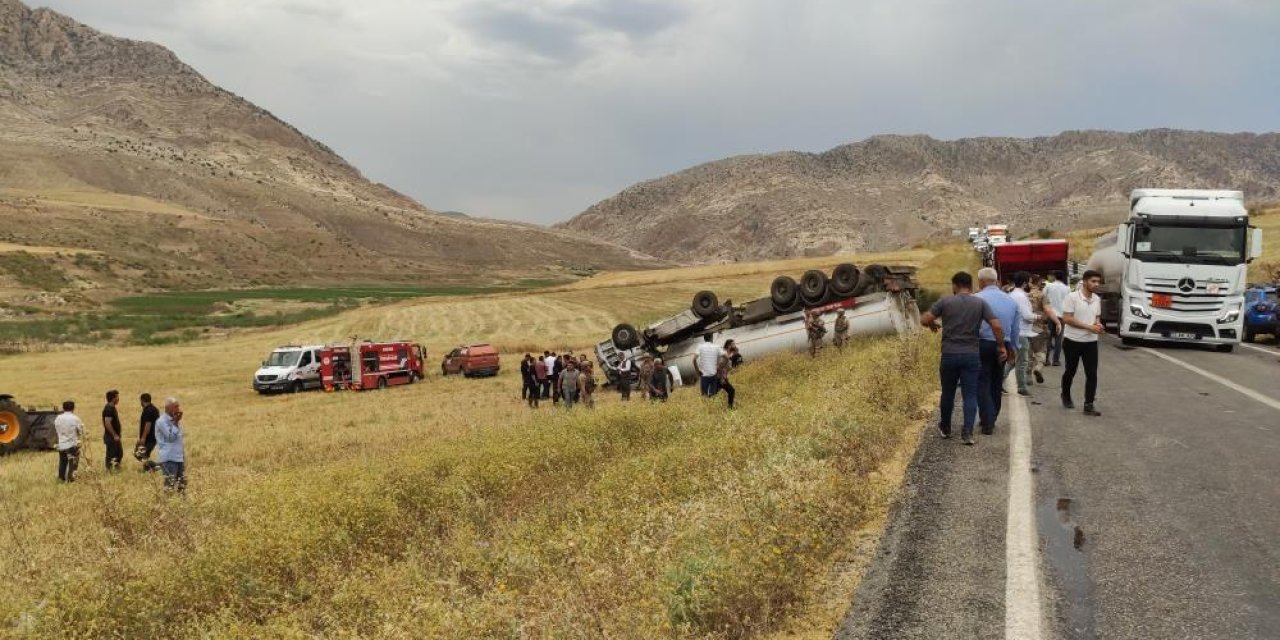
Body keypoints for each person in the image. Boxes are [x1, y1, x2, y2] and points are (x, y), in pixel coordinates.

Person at [920, 272, 1003, 445]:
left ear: (955, 286)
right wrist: (1001, 346)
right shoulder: (980, 303)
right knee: (970, 394)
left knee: (948, 393)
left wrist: (932, 324)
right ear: (970, 285)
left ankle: (946, 427)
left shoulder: (945, 301)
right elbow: (996, 324)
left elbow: (925, 319)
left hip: (949, 354)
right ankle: (967, 433)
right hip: (971, 355)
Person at [975, 267, 1019, 434]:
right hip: (1004, 344)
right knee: (996, 381)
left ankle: (987, 420)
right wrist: (1013, 348)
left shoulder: (977, 299)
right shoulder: (1010, 301)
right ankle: (992, 417)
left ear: (981, 281)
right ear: (995, 281)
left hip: (982, 344)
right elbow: (1015, 328)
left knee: (982, 381)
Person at [1061, 270, 1105, 417]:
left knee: (1092, 374)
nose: (1096, 284)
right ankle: (1065, 395)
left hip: (1091, 342)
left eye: (1098, 282)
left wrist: (1098, 325)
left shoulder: (1097, 299)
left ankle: (1089, 404)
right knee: (1070, 371)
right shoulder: (1072, 297)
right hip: (1072, 340)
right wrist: (1089, 327)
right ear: (1085, 281)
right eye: (1093, 281)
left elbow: (1096, 317)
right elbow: (1067, 319)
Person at [1009, 272, 1040, 397]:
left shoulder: (1013, 294)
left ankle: (1000, 382)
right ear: (1024, 283)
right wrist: (1038, 317)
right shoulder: (1020, 297)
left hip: (1016, 331)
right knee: (1023, 361)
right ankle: (1021, 388)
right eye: (1030, 282)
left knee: (1013, 361)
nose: (1031, 285)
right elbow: (1026, 315)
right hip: (1021, 331)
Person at [1027, 276, 1059, 385]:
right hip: (1040, 327)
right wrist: (1057, 322)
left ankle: (1028, 378)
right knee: (1041, 351)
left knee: (1029, 353)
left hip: (1026, 328)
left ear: (1031, 283)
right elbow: (1048, 310)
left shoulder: (1024, 295)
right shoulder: (1042, 295)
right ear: (1040, 283)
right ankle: (1039, 367)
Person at [155, 397, 186, 493]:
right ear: (168, 408)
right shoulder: (161, 421)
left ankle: (181, 506)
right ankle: (168, 507)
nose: (178, 409)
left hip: (179, 458)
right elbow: (170, 438)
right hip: (169, 459)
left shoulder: (174, 420)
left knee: (182, 486)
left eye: (178, 406)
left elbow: (178, 440)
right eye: (176, 407)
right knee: (170, 487)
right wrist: (176, 422)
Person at [1045, 271, 1071, 366]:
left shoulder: (1048, 286)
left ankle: (1046, 360)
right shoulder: (1067, 288)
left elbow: (1044, 298)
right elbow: (1069, 302)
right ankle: (1056, 360)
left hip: (1050, 315)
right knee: (1058, 339)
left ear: (1054, 276)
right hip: (1061, 316)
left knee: (1048, 338)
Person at [54, 400, 85, 483]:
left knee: (62, 462)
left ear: (63, 408)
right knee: (73, 462)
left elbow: (57, 430)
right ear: (73, 408)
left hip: (61, 444)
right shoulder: (75, 418)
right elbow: (81, 431)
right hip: (72, 444)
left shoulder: (58, 418)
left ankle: (61, 478)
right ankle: (71, 479)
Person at [135, 393, 161, 472]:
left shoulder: (147, 411)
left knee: (140, 454)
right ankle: (149, 469)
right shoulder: (155, 409)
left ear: (142, 400)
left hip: (148, 438)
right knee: (143, 455)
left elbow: (148, 425)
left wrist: (143, 438)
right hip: (154, 436)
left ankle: (157, 466)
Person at [101, 389, 124, 471]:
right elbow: (107, 423)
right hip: (111, 437)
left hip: (114, 436)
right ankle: (109, 470)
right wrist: (114, 435)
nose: (118, 399)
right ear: (113, 398)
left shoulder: (112, 407)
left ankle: (116, 468)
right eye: (117, 397)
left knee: (119, 453)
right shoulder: (109, 409)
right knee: (111, 454)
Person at [717, 340, 740, 409]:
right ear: (728, 345)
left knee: (716, 392)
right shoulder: (725, 355)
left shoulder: (729, 354)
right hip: (719, 377)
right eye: (733, 344)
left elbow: (736, 352)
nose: (735, 345)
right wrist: (722, 378)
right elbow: (719, 367)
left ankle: (730, 407)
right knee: (731, 391)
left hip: (722, 377)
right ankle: (730, 408)